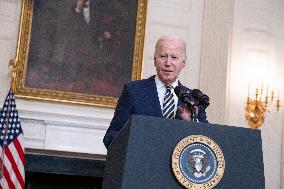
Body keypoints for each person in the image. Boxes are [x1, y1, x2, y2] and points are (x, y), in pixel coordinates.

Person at [103, 36, 208, 149]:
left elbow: (207, 142)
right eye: (163, 56)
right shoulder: (133, 91)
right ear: (154, 60)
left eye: (174, 57)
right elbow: (111, 137)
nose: (168, 63)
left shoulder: (193, 99)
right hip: (141, 162)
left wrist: (191, 121)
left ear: (183, 63)